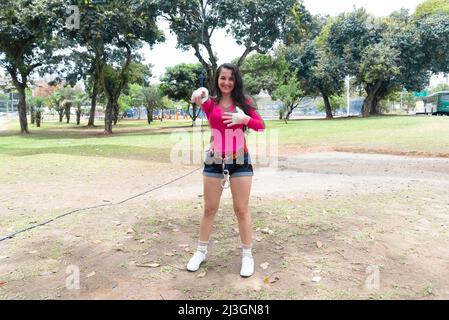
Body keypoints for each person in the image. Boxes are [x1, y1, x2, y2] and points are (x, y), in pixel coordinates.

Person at [188, 63, 265, 277]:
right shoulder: (211, 103)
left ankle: (247, 256)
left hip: (240, 159)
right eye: (223, 78)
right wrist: (199, 94)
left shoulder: (244, 102)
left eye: (231, 78)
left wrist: (245, 119)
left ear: (236, 80)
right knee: (209, 209)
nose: (226, 82)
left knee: (241, 209)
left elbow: (261, 125)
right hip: (214, 159)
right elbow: (197, 99)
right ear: (217, 79)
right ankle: (201, 252)